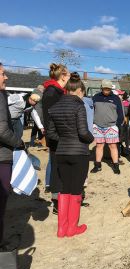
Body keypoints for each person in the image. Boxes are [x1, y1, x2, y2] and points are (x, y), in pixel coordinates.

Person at [47, 73, 93, 238]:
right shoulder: (79, 106)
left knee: (63, 189)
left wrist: (65, 139)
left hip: (61, 152)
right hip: (79, 152)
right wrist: (91, 138)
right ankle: (72, 227)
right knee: (76, 190)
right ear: (80, 90)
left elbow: (51, 133)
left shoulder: (56, 106)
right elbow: (83, 131)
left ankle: (62, 229)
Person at [0, 63, 25, 245]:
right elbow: (2, 130)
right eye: (2, 74)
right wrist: (19, 142)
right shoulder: (0, 96)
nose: (6, 77)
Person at [42, 63, 70, 213]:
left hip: (63, 137)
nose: (70, 77)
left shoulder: (60, 92)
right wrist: (58, 137)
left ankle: (62, 199)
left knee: (62, 169)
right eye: (68, 74)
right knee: (57, 169)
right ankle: (56, 203)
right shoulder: (52, 93)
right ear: (63, 76)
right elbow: (50, 120)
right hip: (57, 138)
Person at [91, 79, 124, 174]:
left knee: (113, 146)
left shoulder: (116, 98)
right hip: (97, 126)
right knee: (99, 146)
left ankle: (116, 166)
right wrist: (93, 123)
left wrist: (117, 125)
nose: (106, 90)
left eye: (108, 89)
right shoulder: (95, 97)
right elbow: (91, 110)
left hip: (111, 126)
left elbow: (120, 113)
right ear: (101, 88)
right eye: (105, 88)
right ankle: (97, 165)